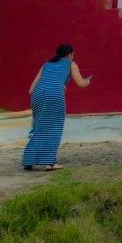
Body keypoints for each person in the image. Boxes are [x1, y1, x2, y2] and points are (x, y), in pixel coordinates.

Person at [22, 43, 91, 171]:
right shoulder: (71, 64)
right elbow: (81, 83)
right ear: (70, 54)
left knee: (39, 128)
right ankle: (50, 163)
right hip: (53, 96)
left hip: (37, 96)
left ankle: (28, 160)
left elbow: (31, 89)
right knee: (54, 128)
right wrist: (88, 81)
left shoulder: (46, 64)